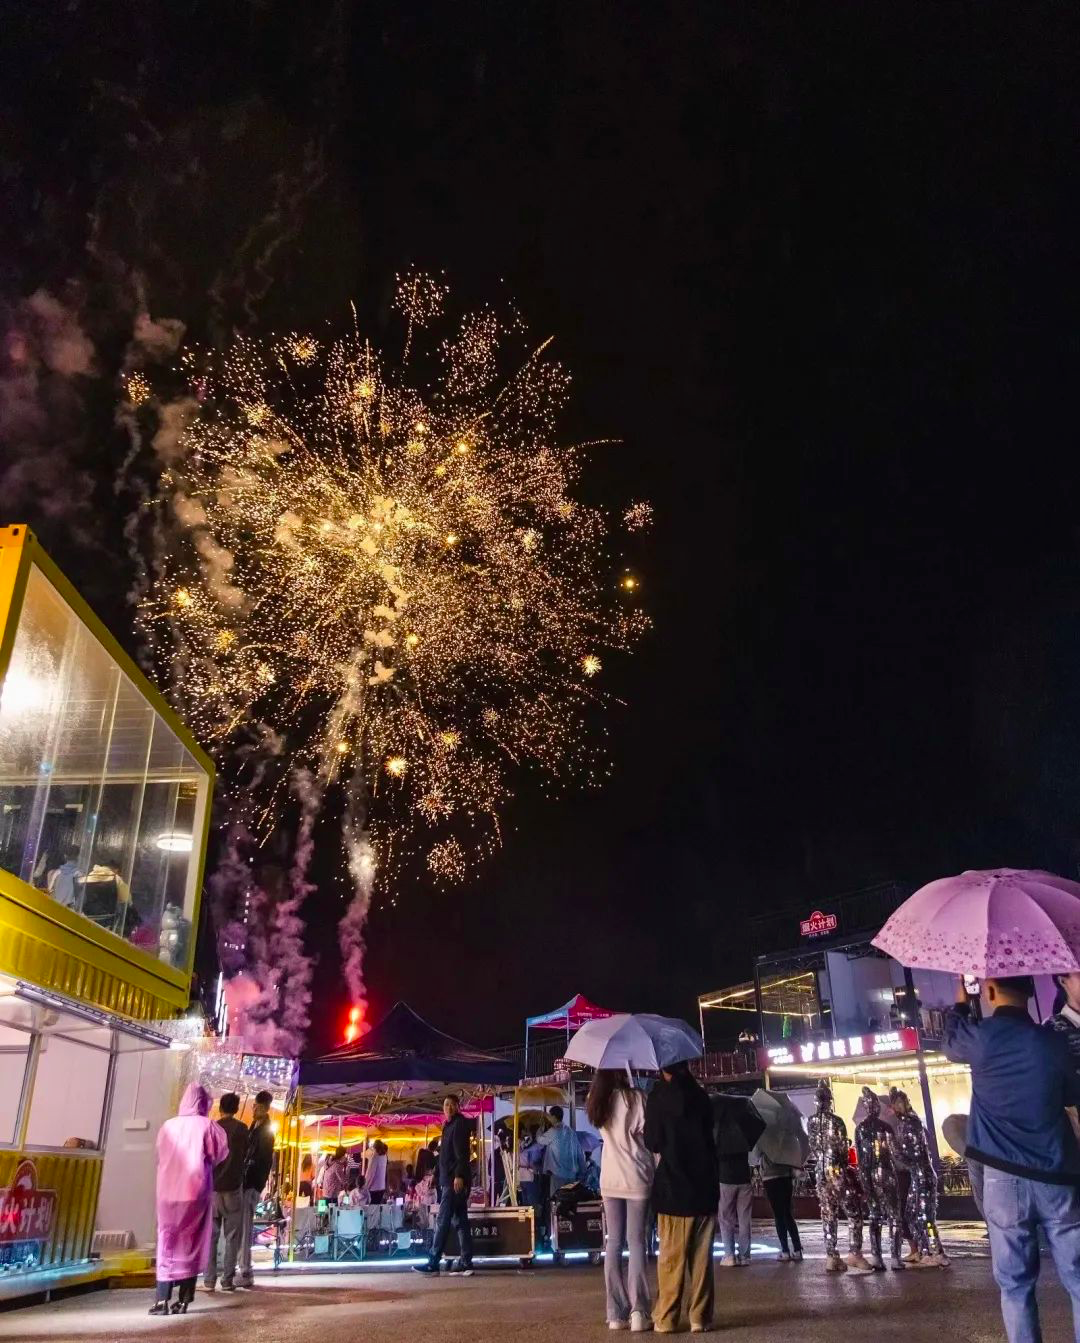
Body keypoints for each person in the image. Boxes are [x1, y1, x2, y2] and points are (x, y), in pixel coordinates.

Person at [944, 974, 1080, 1340]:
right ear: (1031, 991)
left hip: (1002, 1180)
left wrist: (961, 1001)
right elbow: (1072, 1095)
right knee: (1078, 1277)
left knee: (1016, 1286)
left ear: (989, 991)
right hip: (1056, 1174)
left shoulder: (981, 1038)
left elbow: (950, 1042)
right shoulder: (1051, 1041)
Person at [644, 1060, 719, 1336]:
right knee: (702, 1260)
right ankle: (700, 1317)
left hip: (673, 1188)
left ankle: (667, 1318)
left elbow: (652, 1141)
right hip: (705, 1187)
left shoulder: (658, 1098)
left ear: (663, 1068)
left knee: (671, 1259)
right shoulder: (701, 1096)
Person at [150, 1084, 228, 1316]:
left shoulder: (167, 1126)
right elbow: (219, 1153)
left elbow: (160, 1154)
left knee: (166, 1242)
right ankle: (184, 1300)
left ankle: (161, 1299)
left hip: (167, 1193)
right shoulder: (208, 1126)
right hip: (195, 1192)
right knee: (192, 1243)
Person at [587, 1068, 654, 1333]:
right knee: (636, 1242)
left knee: (613, 1242)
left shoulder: (597, 1099)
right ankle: (639, 1311)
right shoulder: (637, 1098)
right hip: (636, 1176)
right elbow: (648, 1135)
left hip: (610, 1179)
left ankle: (615, 1313)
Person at [807, 1079, 871, 1273]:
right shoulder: (837, 1121)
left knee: (828, 1213)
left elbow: (813, 1147)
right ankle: (855, 1252)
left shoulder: (811, 1122)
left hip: (820, 1172)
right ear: (829, 1101)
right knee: (854, 1211)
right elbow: (843, 1149)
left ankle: (831, 1255)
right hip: (836, 1171)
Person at [414, 1094, 474, 1276]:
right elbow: (444, 1155)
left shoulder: (459, 1124)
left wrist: (459, 1176)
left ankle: (433, 1261)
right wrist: (436, 1174)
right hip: (447, 1179)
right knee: (460, 1221)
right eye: (446, 1104)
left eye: (452, 1104)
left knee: (443, 1220)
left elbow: (462, 1153)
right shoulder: (447, 1126)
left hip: (453, 1181)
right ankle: (466, 1261)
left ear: (457, 1106)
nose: (448, 1108)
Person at [887, 1087, 947, 1268]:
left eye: (898, 1104)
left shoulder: (910, 1123)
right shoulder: (907, 1123)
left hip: (922, 1175)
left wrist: (893, 1146)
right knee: (913, 1214)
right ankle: (926, 1250)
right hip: (918, 1175)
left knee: (923, 1217)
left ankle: (933, 1252)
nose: (896, 1108)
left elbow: (912, 1155)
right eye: (894, 1104)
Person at [202, 1092, 248, 1294]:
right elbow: (245, 1155)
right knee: (232, 1236)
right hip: (233, 1188)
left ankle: (209, 1279)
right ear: (236, 1109)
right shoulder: (242, 1129)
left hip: (212, 1188)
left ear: (220, 1108)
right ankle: (227, 1279)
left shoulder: (211, 1128)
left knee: (211, 1236)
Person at [712, 1094, 765, 1267]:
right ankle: (745, 1255)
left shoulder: (718, 1132)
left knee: (726, 1218)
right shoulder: (744, 1131)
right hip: (744, 1180)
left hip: (725, 1180)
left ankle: (729, 1255)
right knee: (744, 1219)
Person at [854, 1087, 903, 1270]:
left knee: (875, 1215)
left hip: (868, 1175)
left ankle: (876, 1256)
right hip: (887, 1173)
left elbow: (860, 1157)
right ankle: (895, 1257)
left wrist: (864, 1180)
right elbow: (896, 1153)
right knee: (894, 1215)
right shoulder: (886, 1127)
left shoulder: (860, 1129)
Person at [237, 1090, 275, 1289]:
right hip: (246, 1183)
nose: (254, 1110)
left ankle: (245, 1270)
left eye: (258, 1107)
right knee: (242, 1227)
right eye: (253, 1106)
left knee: (245, 1228)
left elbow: (263, 1162)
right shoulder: (254, 1127)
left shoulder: (266, 1132)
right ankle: (243, 1267)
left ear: (265, 1108)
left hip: (252, 1184)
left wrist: (257, 1184)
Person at [754, 1149, 803, 1263]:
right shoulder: (786, 1139)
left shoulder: (764, 1139)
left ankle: (785, 1251)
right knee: (787, 1213)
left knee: (778, 1214)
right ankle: (797, 1250)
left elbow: (756, 1154)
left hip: (770, 1177)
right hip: (785, 1175)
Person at [538, 1104, 587, 1204]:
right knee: (570, 1203)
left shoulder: (554, 1131)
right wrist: (582, 1172)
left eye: (549, 1116)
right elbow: (579, 1153)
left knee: (557, 1202)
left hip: (558, 1174)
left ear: (554, 1117)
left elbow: (540, 1140)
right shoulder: (571, 1132)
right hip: (572, 1175)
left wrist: (540, 1129)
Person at [367, 1139, 389, 1204]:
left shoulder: (374, 1158)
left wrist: (366, 1186)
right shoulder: (385, 1157)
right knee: (377, 1206)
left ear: (375, 1148)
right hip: (381, 1187)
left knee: (372, 1207)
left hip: (373, 1188)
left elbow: (371, 1174)